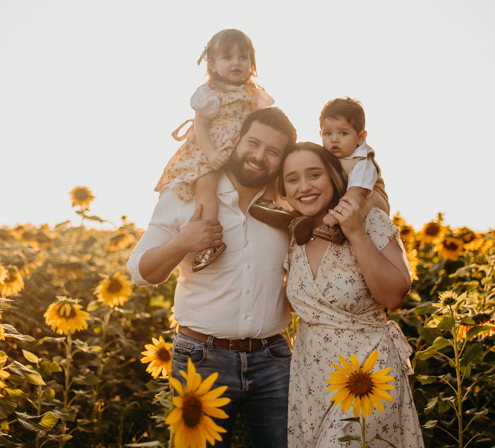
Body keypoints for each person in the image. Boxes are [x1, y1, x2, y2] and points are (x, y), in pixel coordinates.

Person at [129, 107, 298, 448]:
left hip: (274, 360)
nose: (259, 155)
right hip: (201, 359)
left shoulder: (289, 206)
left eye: (273, 151)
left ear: (282, 160)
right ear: (236, 140)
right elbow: (140, 272)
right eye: (253, 143)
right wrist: (182, 242)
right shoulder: (186, 193)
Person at [280, 142, 423, 448]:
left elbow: (394, 296)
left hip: (366, 377)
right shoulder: (295, 239)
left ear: (333, 177)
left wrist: (355, 233)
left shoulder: (371, 222)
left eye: (314, 174)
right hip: (311, 379)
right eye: (292, 179)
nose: (304, 186)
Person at [154, 29, 275, 271]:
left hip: (243, 149)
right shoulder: (209, 93)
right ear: (212, 63)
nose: (236, 63)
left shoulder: (253, 92)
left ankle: (272, 203)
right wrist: (210, 153)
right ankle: (210, 239)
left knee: (270, 168)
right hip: (214, 146)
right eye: (228, 58)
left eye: (243, 57)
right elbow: (201, 125)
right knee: (205, 187)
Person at [314, 96, 390, 244]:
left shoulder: (362, 161)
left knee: (364, 200)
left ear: (360, 138)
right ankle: (298, 221)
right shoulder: (325, 159)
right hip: (345, 202)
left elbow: (356, 193)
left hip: (370, 204)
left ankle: (339, 227)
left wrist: (337, 214)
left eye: (343, 133)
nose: (334, 139)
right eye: (328, 133)